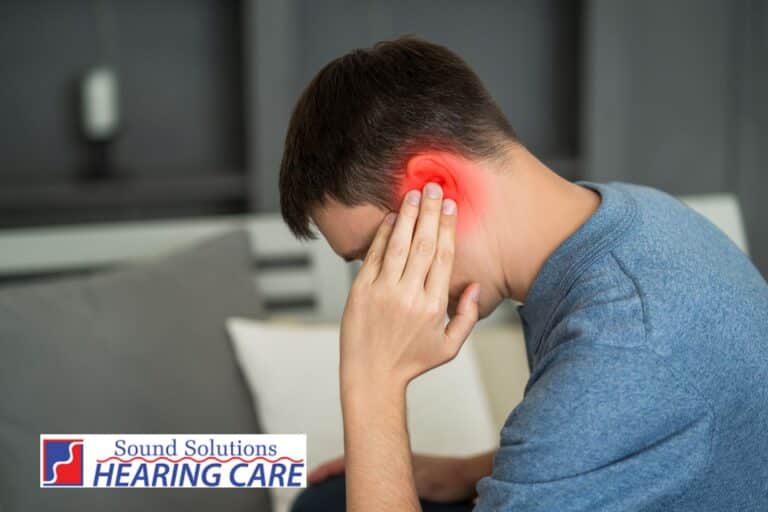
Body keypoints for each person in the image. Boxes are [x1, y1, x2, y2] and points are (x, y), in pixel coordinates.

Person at [278, 36, 768, 511]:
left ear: (435, 186)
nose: (379, 287)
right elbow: (650, 435)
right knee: (329, 500)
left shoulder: (620, 347)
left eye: (375, 253)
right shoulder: (644, 216)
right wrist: (476, 470)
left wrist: (372, 383)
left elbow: (616, 396)